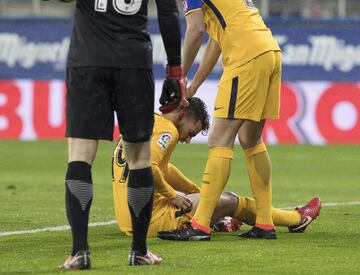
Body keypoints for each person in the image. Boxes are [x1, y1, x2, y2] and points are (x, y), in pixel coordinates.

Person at [57, 0, 186, 269]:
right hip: (133, 62)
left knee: (80, 155)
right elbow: (168, 11)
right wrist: (175, 71)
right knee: (139, 158)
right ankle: (139, 251)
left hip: (87, 60)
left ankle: (79, 252)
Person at [161, 0, 287, 241]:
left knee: (219, 138)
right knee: (250, 138)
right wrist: (194, 84)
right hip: (269, 52)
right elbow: (216, 42)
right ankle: (264, 223)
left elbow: (195, 29)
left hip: (246, 56)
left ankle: (200, 225)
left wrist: (178, 75)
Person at [112, 97, 322, 238]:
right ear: (182, 116)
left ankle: (220, 220)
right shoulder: (169, 131)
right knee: (229, 199)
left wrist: (196, 192)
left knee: (209, 200)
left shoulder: (145, 123)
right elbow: (150, 166)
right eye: (191, 133)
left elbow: (162, 168)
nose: (186, 139)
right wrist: (173, 195)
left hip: (129, 218)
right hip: (150, 221)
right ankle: (296, 218)